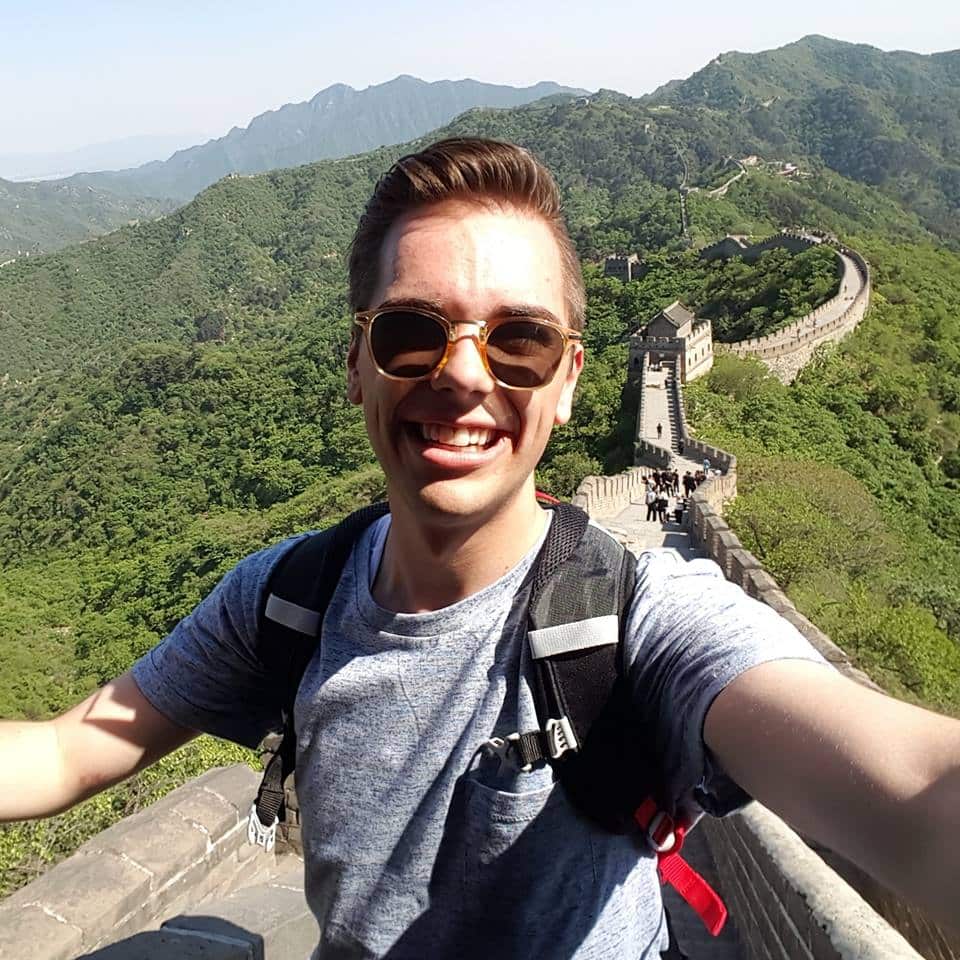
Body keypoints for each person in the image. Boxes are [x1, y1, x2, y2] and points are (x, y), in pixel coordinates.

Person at [1, 138, 958, 960]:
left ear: (573, 378)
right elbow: (65, 750)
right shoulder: (286, 598)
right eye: (414, 332)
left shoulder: (641, 621)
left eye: (521, 341)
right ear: (355, 364)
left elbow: (915, 791)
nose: (464, 374)